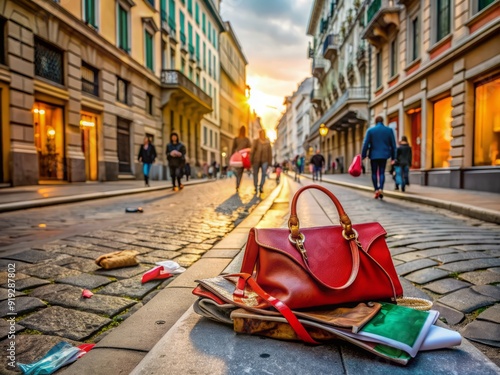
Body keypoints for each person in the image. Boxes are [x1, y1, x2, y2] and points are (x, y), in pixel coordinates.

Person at [361, 116, 397, 199]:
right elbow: (393, 145)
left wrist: (363, 155)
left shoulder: (370, 131)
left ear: (375, 121)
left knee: (374, 172)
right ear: (383, 121)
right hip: (384, 155)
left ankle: (376, 189)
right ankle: (381, 187)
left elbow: (365, 144)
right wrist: (393, 158)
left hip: (373, 155)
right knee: (381, 172)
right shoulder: (389, 130)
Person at [250, 129, 272, 194]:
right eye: (261, 133)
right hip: (256, 160)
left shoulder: (267, 142)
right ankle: (255, 186)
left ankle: (261, 186)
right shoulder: (256, 141)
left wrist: (269, 162)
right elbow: (252, 151)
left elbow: (270, 153)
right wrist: (251, 160)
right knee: (255, 174)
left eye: (263, 133)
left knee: (264, 174)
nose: (262, 134)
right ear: (259, 134)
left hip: (265, 160)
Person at [231, 126, 251, 191]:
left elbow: (233, 148)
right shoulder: (246, 139)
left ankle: (237, 184)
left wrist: (232, 156)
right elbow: (250, 148)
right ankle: (238, 184)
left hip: (237, 157)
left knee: (237, 171)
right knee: (240, 172)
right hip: (242, 157)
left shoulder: (237, 139)